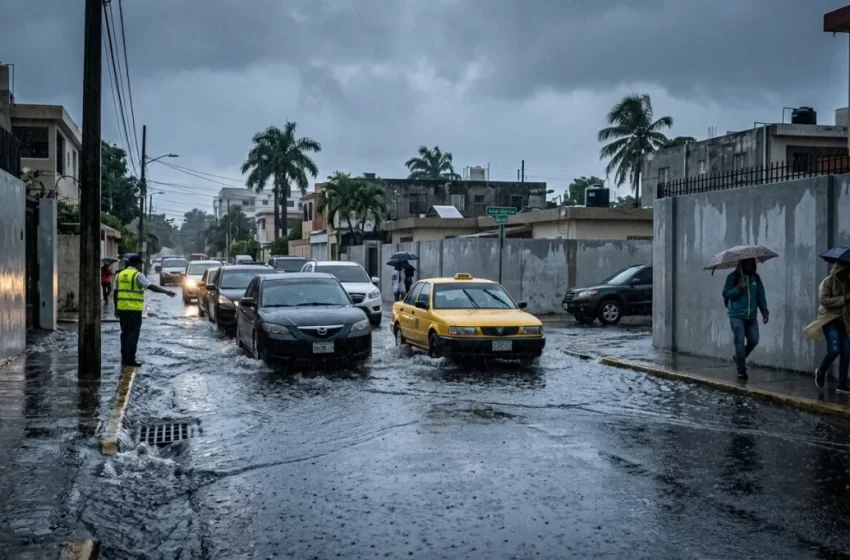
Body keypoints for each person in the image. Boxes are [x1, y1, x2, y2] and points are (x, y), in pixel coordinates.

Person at [114, 254, 176, 367]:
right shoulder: (137, 275)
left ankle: (124, 358)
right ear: (136, 264)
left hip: (122, 309)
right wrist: (166, 292)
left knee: (124, 334)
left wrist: (116, 309)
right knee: (133, 334)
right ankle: (130, 359)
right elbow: (150, 286)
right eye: (140, 264)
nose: (141, 266)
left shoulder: (119, 275)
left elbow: (115, 293)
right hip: (134, 310)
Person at [804, 262, 850, 392]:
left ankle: (842, 383)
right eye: (844, 271)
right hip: (830, 320)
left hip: (845, 321)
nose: (846, 273)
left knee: (846, 352)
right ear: (838, 270)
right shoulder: (827, 282)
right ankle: (821, 371)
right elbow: (823, 300)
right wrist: (844, 298)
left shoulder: (848, 282)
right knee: (834, 350)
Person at [722, 258, 769, 380]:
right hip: (736, 315)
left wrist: (765, 312)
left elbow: (761, 295)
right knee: (739, 343)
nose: (750, 266)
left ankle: (738, 358)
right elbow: (726, 294)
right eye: (747, 264)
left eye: (752, 264)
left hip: (751, 316)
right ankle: (741, 371)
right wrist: (739, 287)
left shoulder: (756, 278)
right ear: (742, 264)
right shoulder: (732, 277)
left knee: (754, 340)